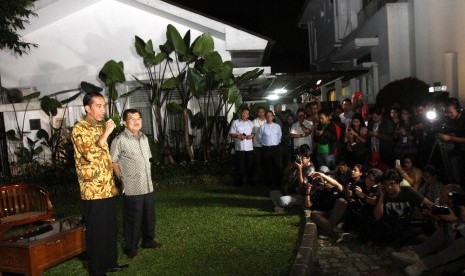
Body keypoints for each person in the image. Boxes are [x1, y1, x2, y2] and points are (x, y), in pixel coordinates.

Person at [71, 92, 128, 275]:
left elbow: (105, 157)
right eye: (98, 106)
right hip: (92, 190)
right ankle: (96, 270)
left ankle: (110, 262)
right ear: (87, 108)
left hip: (107, 188)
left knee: (110, 227)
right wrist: (107, 132)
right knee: (96, 230)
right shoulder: (80, 128)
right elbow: (90, 155)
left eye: (104, 106)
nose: (103, 110)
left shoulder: (99, 126)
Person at [111, 109, 162, 259]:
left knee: (149, 216)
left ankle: (148, 240)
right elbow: (113, 162)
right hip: (132, 187)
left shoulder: (144, 138)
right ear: (125, 123)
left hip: (147, 184)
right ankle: (130, 247)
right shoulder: (119, 140)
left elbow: (147, 160)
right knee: (133, 218)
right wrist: (123, 179)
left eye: (138, 118)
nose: (136, 121)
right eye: (132, 119)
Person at [391, 185, 465, 276]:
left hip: (458, 259)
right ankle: (417, 255)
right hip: (448, 249)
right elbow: (448, 233)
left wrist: (455, 221)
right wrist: (443, 219)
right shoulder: (453, 209)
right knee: (444, 230)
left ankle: (424, 265)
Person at [369, 169, 434, 248]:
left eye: (392, 184)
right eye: (386, 184)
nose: (389, 187)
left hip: (407, 224)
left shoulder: (408, 191)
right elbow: (377, 216)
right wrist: (382, 197)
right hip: (392, 225)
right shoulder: (383, 194)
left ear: (398, 183)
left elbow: (428, 203)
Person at [270, 144, 315, 213]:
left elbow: (301, 185)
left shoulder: (310, 169)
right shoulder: (297, 162)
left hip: (300, 195)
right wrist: (291, 165)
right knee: (273, 192)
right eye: (299, 156)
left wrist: (300, 170)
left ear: (308, 158)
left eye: (302, 158)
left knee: (282, 200)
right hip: (290, 190)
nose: (300, 159)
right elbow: (285, 173)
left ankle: (281, 205)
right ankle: (281, 205)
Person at [305, 169, 347, 240]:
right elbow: (308, 205)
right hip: (325, 215)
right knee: (313, 213)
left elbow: (336, 184)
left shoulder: (338, 189)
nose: (325, 182)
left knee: (342, 201)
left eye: (327, 180)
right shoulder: (321, 190)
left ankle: (328, 230)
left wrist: (322, 175)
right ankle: (335, 232)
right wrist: (307, 192)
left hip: (337, 215)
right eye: (324, 180)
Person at [438, 98, 465, 185]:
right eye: (447, 112)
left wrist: (450, 138)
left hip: (463, 154)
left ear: (458, 109)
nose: (449, 115)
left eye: (451, 112)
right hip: (455, 153)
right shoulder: (451, 120)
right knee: (456, 178)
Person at [229, 107, 254, 186]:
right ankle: (239, 182)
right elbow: (231, 133)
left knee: (249, 165)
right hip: (239, 147)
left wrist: (252, 136)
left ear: (248, 115)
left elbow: (254, 133)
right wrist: (238, 136)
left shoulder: (251, 123)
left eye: (246, 113)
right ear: (241, 113)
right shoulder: (235, 122)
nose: (244, 114)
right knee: (239, 165)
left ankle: (250, 182)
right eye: (243, 112)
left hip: (249, 148)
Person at [257, 110, 282, 189]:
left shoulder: (277, 126)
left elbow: (279, 136)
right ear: (265, 117)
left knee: (277, 165)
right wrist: (265, 143)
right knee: (267, 166)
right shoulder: (262, 127)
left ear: (273, 117)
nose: (269, 117)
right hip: (266, 149)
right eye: (267, 116)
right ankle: (268, 182)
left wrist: (276, 143)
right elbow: (259, 137)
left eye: (270, 115)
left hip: (276, 148)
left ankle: (277, 182)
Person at [252, 107, 266, 185]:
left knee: (265, 162)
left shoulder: (267, 121)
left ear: (264, 112)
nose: (261, 113)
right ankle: (257, 179)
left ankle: (264, 179)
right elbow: (251, 134)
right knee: (257, 163)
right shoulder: (253, 122)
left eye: (262, 112)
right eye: (259, 112)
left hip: (266, 145)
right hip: (256, 145)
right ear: (257, 113)